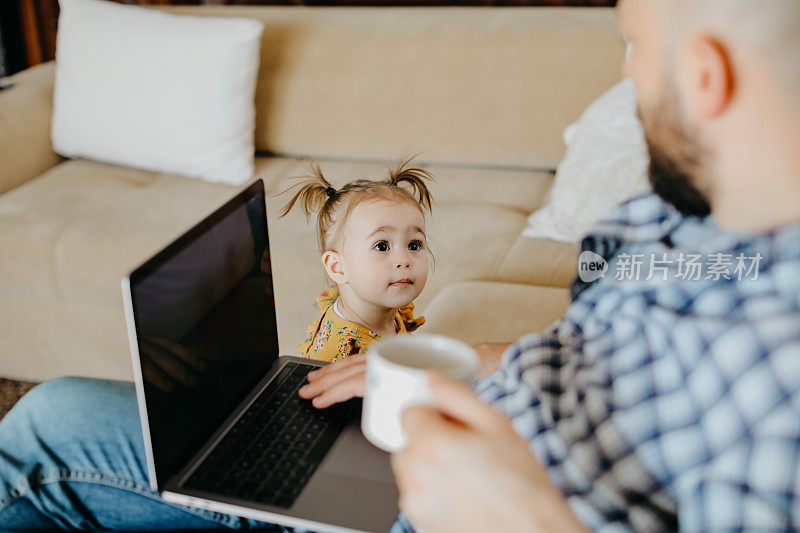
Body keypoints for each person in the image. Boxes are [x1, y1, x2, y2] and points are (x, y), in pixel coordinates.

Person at [2, 0, 800, 530]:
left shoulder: (777, 383)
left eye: (634, 46)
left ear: (705, 77)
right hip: (442, 430)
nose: (626, 74)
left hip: (451, 509)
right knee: (73, 408)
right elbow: (621, 340)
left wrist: (519, 516)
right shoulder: (688, 216)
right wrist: (485, 361)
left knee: (40, 437)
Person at [280, 158, 432, 362]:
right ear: (338, 267)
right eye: (381, 246)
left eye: (414, 245)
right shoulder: (341, 357)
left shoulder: (383, 303)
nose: (404, 260)